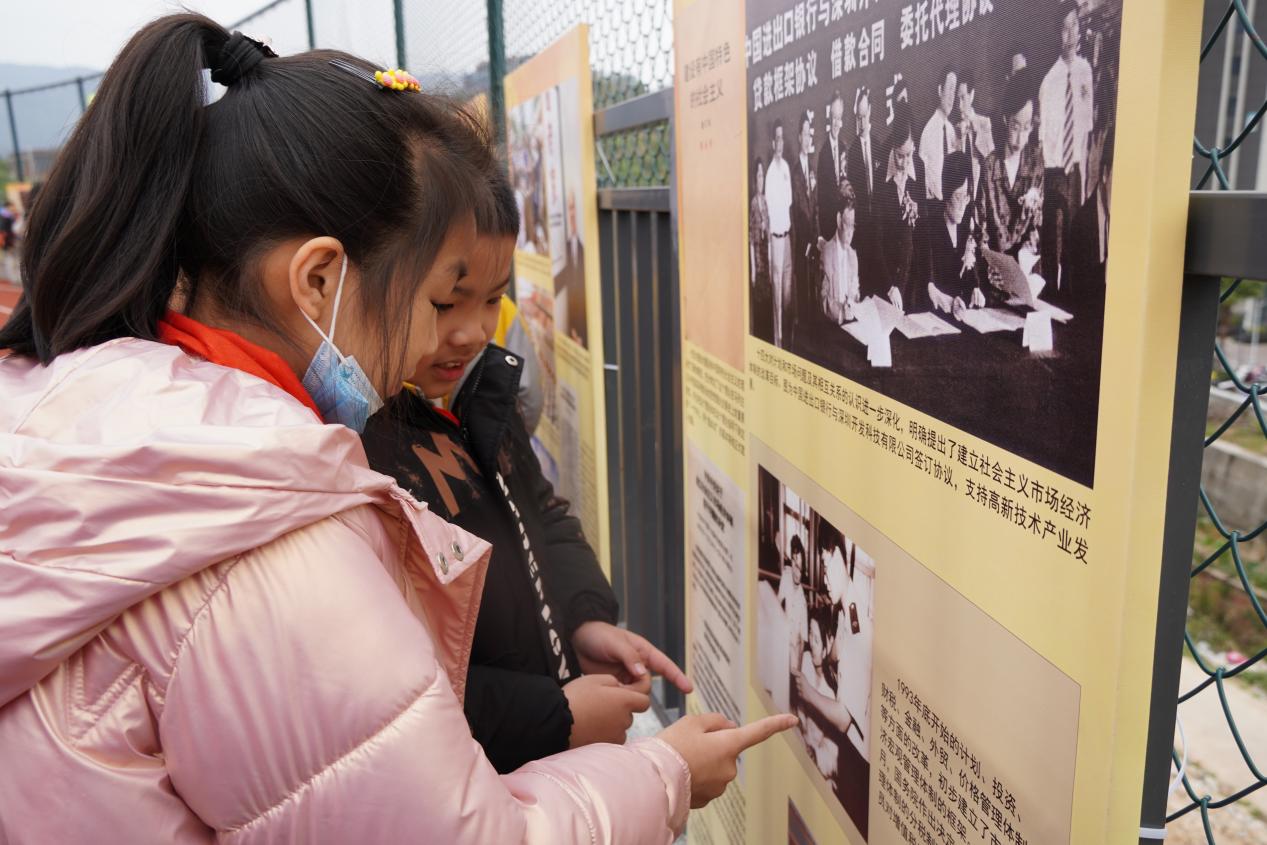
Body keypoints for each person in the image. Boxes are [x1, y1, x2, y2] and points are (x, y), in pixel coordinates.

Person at [0, 16, 795, 843]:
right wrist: (661, 772)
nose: (438, 339)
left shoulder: (97, 415)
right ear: (317, 280)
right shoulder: (272, 538)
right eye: (432, 298)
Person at [1039, 0, 1093, 299]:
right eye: (1064, 28)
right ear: (1057, 34)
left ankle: (1073, 297)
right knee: (1053, 235)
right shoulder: (1049, 81)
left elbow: (1087, 127)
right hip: (1055, 169)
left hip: (1078, 167)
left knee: (1076, 234)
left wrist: (1084, 172)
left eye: (1074, 25)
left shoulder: (1086, 72)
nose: (1070, 34)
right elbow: (1043, 138)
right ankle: (1051, 293)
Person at [447, 293, 545, 433]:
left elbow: (530, 396)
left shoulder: (505, 310)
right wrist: (507, 441)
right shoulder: (506, 308)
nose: (479, 336)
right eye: (442, 307)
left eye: (492, 301)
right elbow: (531, 400)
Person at [914, 151, 990, 317]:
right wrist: (950, 300)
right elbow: (927, 283)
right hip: (935, 315)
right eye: (958, 196)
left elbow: (970, 274)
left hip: (962, 314)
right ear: (947, 194)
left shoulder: (967, 227)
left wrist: (975, 289)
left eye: (966, 196)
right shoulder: (927, 227)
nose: (963, 204)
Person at [982, 69, 1045, 257]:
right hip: (993, 263)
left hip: (1025, 262)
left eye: (1026, 128)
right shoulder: (990, 165)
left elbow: (1037, 225)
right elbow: (981, 226)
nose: (1019, 138)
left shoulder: (1035, 164)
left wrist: (1028, 250)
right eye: (1015, 127)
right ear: (1005, 119)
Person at [874, 102, 923, 311]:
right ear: (893, 147)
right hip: (887, 279)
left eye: (909, 155)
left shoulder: (919, 168)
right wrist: (890, 285)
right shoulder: (880, 177)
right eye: (899, 156)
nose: (904, 163)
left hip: (913, 278)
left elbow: (923, 229)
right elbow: (876, 238)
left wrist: (927, 281)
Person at [846, 86, 880, 296]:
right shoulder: (851, 153)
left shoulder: (877, 146)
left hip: (879, 227)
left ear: (871, 112)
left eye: (864, 116)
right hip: (862, 229)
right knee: (865, 285)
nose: (861, 122)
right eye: (858, 118)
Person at [764, 120, 793, 348]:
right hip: (775, 240)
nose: (781, 143)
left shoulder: (785, 168)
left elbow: (789, 201)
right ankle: (777, 342)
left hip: (787, 238)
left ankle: (788, 342)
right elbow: (769, 210)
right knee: (777, 296)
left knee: (787, 294)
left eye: (783, 138)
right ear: (773, 143)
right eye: (778, 138)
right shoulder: (770, 173)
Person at [790, 110, 817, 347]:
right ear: (799, 137)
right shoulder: (795, 171)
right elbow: (799, 208)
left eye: (810, 134)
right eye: (805, 134)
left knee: (814, 288)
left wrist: (816, 238)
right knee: (803, 290)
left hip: (813, 240)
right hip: (801, 240)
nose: (808, 139)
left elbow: (815, 204)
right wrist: (807, 239)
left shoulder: (812, 166)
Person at [818, 182, 860, 327]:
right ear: (838, 220)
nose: (850, 233)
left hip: (851, 324)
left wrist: (854, 304)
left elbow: (855, 293)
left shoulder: (853, 256)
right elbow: (823, 301)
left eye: (853, 226)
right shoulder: (827, 253)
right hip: (832, 325)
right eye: (847, 224)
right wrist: (842, 312)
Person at [919, 65, 959, 202]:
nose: (952, 97)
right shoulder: (927, 131)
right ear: (940, 90)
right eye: (949, 89)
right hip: (934, 205)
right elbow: (922, 178)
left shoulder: (951, 130)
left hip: (953, 204)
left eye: (954, 90)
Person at [554, 188, 587, 347]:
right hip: (571, 320)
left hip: (586, 323)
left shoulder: (585, 248)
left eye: (573, 208)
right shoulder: (565, 247)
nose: (571, 214)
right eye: (568, 209)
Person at [777, 535, 810, 683]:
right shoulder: (786, 576)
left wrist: (798, 672)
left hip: (794, 652)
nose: (798, 573)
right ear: (792, 562)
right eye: (795, 566)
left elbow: (802, 641)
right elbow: (777, 604)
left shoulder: (803, 601)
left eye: (801, 569)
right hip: (782, 642)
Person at [817, 91, 847, 241]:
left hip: (844, 227)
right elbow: (821, 199)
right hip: (829, 228)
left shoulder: (844, 148)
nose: (836, 123)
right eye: (834, 117)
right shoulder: (822, 153)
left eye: (839, 118)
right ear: (829, 117)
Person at [750, 156, 772, 320]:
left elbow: (769, 237)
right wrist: (753, 271)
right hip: (757, 264)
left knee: (767, 307)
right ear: (754, 179)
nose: (761, 180)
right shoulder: (752, 204)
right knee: (758, 307)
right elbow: (751, 241)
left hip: (767, 261)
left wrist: (770, 265)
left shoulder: (766, 202)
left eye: (762, 176)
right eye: (758, 176)